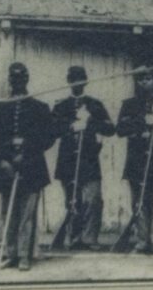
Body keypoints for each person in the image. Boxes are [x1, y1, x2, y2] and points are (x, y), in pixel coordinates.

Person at [0, 62, 55, 270]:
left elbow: (48, 137)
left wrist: (27, 151)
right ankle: (11, 254)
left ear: (27, 79)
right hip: (7, 168)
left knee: (27, 215)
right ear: (10, 80)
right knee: (9, 214)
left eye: (21, 78)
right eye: (14, 78)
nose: (17, 82)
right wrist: (4, 160)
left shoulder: (39, 108)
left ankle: (25, 255)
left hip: (31, 167)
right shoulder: (0, 108)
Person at [49, 65, 114, 250]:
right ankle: (73, 237)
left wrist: (91, 121)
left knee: (93, 200)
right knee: (72, 200)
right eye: (73, 79)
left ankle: (90, 238)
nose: (77, 82)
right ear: (69, 82)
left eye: (80, 78)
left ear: (85, 81)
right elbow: (51, 130)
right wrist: (71, 126)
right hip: (68, 161)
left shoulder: (95, 104)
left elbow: (110, 129)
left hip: (89, 159)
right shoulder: (60, 106)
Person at [115, 67, 153, 255]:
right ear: (136, 82)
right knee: (138, 202)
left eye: (148, 79)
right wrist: (142, 120)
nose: (144, 83)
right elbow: (120, 129)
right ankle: (141, 241)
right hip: (137, 161)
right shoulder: (129, 104)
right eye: (141, 79)